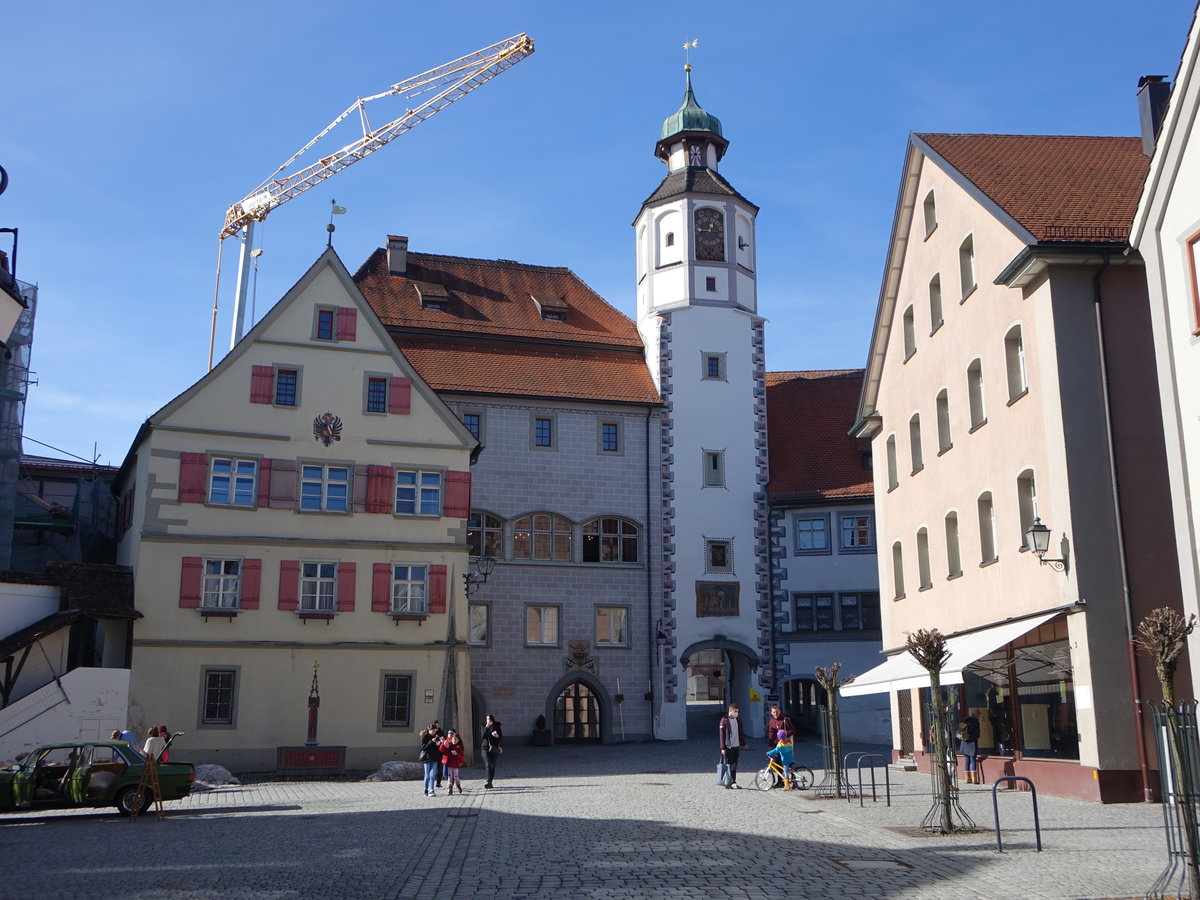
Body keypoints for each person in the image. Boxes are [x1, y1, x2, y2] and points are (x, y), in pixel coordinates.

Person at [718, 703, 750, 789]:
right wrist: (722, 748)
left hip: (736, 745)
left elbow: (740, 733)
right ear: (730, 710)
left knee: (734, 764)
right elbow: (722, 735)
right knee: (729, 764)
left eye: (737, 711)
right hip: (728, 746)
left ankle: (732, 781)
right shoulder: (724, 720)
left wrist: (743, 744)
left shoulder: (738, 720)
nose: (736, 713)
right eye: (735, 711)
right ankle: (730, 782)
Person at [480, 714, 503, 789]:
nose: (488, 720)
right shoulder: (484, 726)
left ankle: (490, 782)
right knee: (488, 764)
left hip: (494, 748)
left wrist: (497, 736)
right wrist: (487, 727)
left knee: (493, 765)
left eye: (489, 719)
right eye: (487, 719)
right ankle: (488, 782)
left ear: (492, 719)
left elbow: (501, 738)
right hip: (485, 748)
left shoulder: (497, 726)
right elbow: (483, 736)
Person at [440, 729, 465, 795]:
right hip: (447, 761)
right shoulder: (447, 742)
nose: (450, 735)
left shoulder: (458, 746)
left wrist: (457, 755)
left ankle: (456, 785)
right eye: (449, 733)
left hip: (455, 764)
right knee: (447, 775)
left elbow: (462, 756)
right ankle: (450, 788)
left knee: (455, 776)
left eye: (451, 733)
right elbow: (443, 751)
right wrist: (444, 744)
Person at [958, 714, 982, 784]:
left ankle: (967, 779)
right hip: (972, 743)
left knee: (967, 760)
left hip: (964, 742)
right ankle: (974, 779)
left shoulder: (965, 721)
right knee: (973, 759)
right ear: (977, 715)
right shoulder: (975, 722)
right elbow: (977, 735)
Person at [419, 727, 441, 796]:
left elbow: (438, 748)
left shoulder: (437, 737)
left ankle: (431, 790)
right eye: (433, 731)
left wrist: (439, 744)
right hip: (427, 758)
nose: (435, 732)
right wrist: (431, 742)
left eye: (435, 731)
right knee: (427, 775)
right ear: (430, 730)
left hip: (434, 758)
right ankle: (426, 789)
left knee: (432, 775)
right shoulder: (425, 737)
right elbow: (424, 748)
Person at [428, 720, 444, 788]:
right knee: (432, 770)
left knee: (440, 769)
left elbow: (444, 740)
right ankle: (430, 784)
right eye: (435, 726)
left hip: (440, 753)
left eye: (438, 725)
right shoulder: (430, 733)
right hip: (432, 754)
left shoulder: (441, 732)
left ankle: (438, 783)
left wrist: (442, 741)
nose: (437, 727)